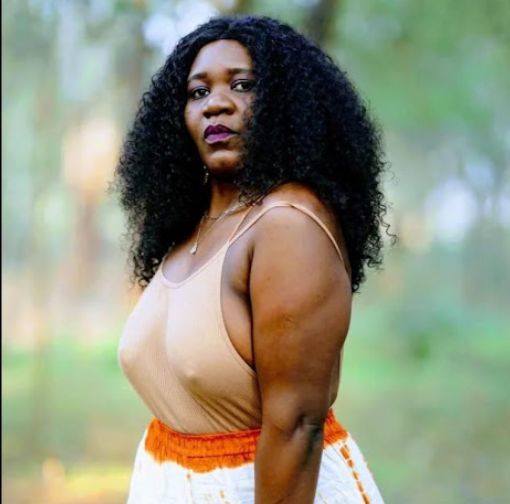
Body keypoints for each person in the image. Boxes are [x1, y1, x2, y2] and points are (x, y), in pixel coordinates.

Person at [113, 13, 389, 504]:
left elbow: (296, 425)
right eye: (198, 92)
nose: (216, 104)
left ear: (285, 103)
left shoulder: (288, 224)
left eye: (242, 85)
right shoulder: (192, 228)